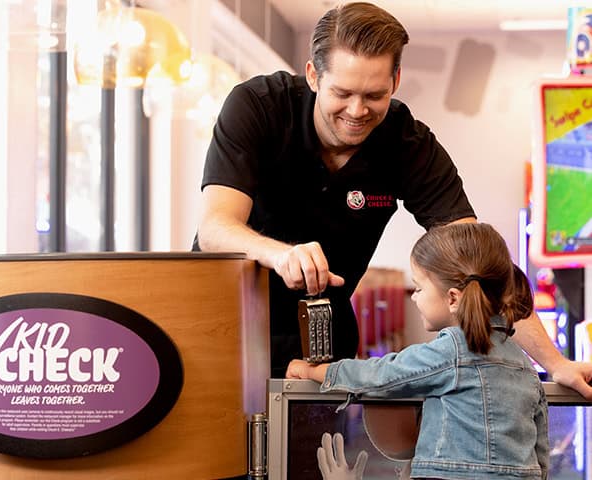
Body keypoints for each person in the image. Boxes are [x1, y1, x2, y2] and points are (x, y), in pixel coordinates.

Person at [194, 1, 592, 397]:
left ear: (396, 81)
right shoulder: (258, 107)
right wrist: (280, 255)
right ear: (313, 75)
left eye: (374, 95)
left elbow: (483, 266)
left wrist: (556, 364)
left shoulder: (408, 144)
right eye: (343, 92)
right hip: (223, 320)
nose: (357, 110)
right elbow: (215, 228)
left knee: (305, 458)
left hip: (319, 337)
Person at [286, 223, 549, 479]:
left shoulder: (453, 350)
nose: (414, 296)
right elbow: (541, 453)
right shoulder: (524, 364)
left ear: (453, 298)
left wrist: (316, 370)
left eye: (420, 288)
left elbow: (383, 374)